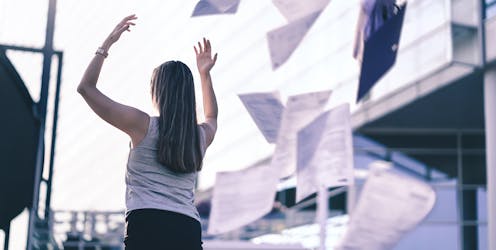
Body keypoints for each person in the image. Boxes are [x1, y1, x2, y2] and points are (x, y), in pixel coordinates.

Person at [77, 14, 218, 249]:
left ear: (157, 92)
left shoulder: (141, 124)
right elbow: (212, 116)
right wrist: (205, 75)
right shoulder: (199, 136)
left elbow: (85, 88)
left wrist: (107, 44)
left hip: (146, 224)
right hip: (186, 229)